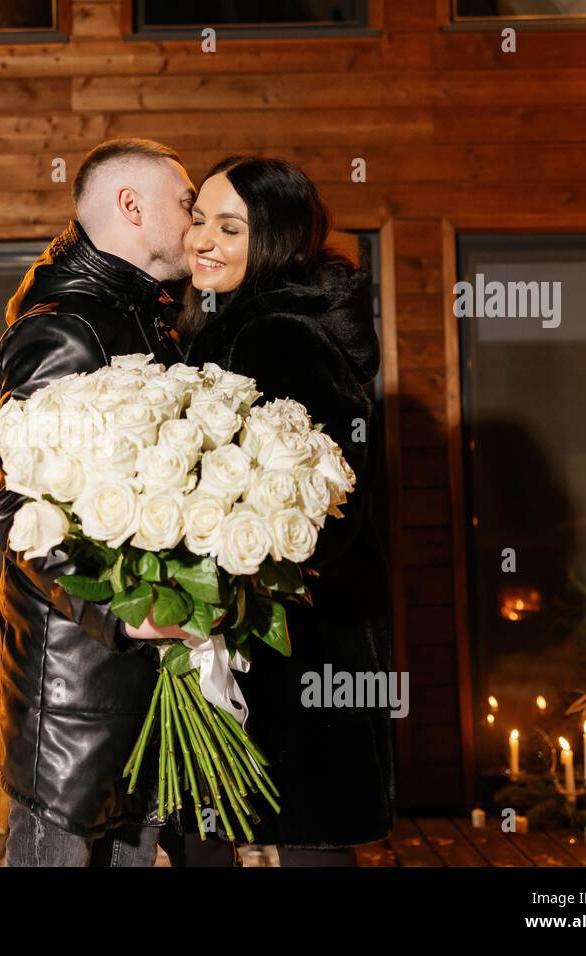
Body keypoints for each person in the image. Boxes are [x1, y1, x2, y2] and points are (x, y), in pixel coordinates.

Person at [172, 155, 397, 866]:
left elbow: (330, 492)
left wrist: (234, 567)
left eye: (229, 228)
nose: (203, 240)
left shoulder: (278, 334)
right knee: (257, 828)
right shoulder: (228, 320)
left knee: (300, 834)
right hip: (261, 623)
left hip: (299, 633)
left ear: (275, 239)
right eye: (199, 220)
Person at [0, 138, 203, 866]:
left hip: (139, 687)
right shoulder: (63, 328)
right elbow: (23, 517)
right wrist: (122, 613)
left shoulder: (148, 318)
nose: (195, 220)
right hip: (76, 701)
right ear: (131, 206)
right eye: (186, 203)